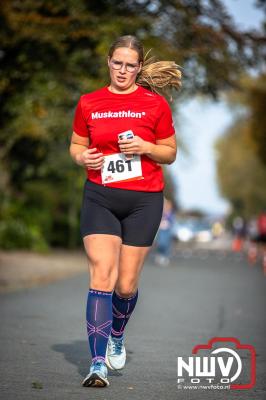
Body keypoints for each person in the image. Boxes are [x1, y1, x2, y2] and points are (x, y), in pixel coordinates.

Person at [69, 35, 181, 388]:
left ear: (138, 68)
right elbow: (76, 144)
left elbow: (170, 152)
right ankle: (98, 363)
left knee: (126, 284)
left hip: (144, 200)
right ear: (108, 61)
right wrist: (81, 157)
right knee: (101, 273)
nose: (123, 70)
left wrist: (147, 146)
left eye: (130, 65)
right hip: (100, 196)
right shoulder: (89, 102)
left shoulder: (154, 104)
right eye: (117, 62)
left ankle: (117, 333)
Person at [155, 198, 175, 266]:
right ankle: (160, 255)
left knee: (166, 244)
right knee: (160, 243)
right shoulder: (161, 213)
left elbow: (172, 222)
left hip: (167, 231)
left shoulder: (170, 214)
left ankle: (165, 256)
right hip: (161, 230)